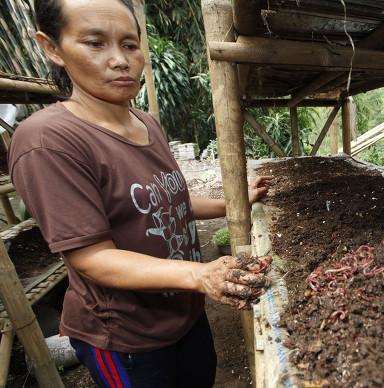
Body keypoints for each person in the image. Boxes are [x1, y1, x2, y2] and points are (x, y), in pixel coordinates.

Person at [8, 0, 272, 386]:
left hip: (185, 315)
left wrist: (234, 201)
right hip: (127, 338)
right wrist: (200, 275)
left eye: (130, 44)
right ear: (52, 47)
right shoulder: (48, 140)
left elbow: (165, 203)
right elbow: (93, 258)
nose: (119, 60)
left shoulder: (145, 122)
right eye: (95, 43)